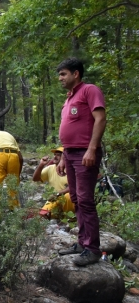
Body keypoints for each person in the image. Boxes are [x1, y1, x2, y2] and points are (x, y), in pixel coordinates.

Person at [55, 58, 106, 266]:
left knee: (85, 200)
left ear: (76, 74)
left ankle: (93, 249)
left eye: (63, 74)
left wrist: (92, 149)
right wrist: (63, 157)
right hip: (70, 153)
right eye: (59, 75)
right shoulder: (69, 99)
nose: (60, 78)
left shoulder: (89, 90)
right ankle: (82, 243)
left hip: (85, 153)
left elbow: (100, 119)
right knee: (76, 198)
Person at [32, 147, 75, 218]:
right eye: (55, 154)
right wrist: (41, 165)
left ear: (64, 157)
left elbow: (74, 187)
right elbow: (35, 179)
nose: (55, 156)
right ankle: (58, 217)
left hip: (68, 199)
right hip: (55, 199)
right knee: (43, 214)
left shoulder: (71, 169)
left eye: (58, 155)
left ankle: (70, 218)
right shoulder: (50, 168)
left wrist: (58, 194)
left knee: (68, 196)